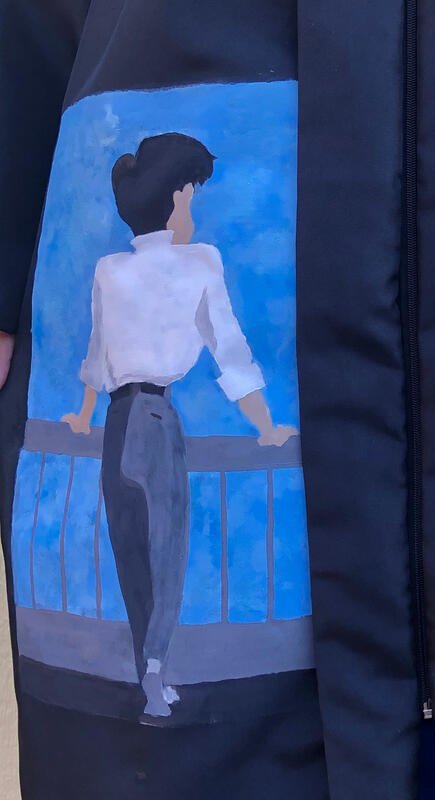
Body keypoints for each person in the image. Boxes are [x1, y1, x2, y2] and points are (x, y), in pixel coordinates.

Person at [60, 132, 298, 720]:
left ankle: (149, 673)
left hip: (116, 421)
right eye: (193, 194)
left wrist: (83, 416)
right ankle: (155, 674)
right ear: (176, 197)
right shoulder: (200, 262)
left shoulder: (109, 269)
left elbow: (97, 355)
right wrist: (266, 427)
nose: (194, 207)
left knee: (131, 555)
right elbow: (230, 352)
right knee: (167, 554)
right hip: (157, 420)